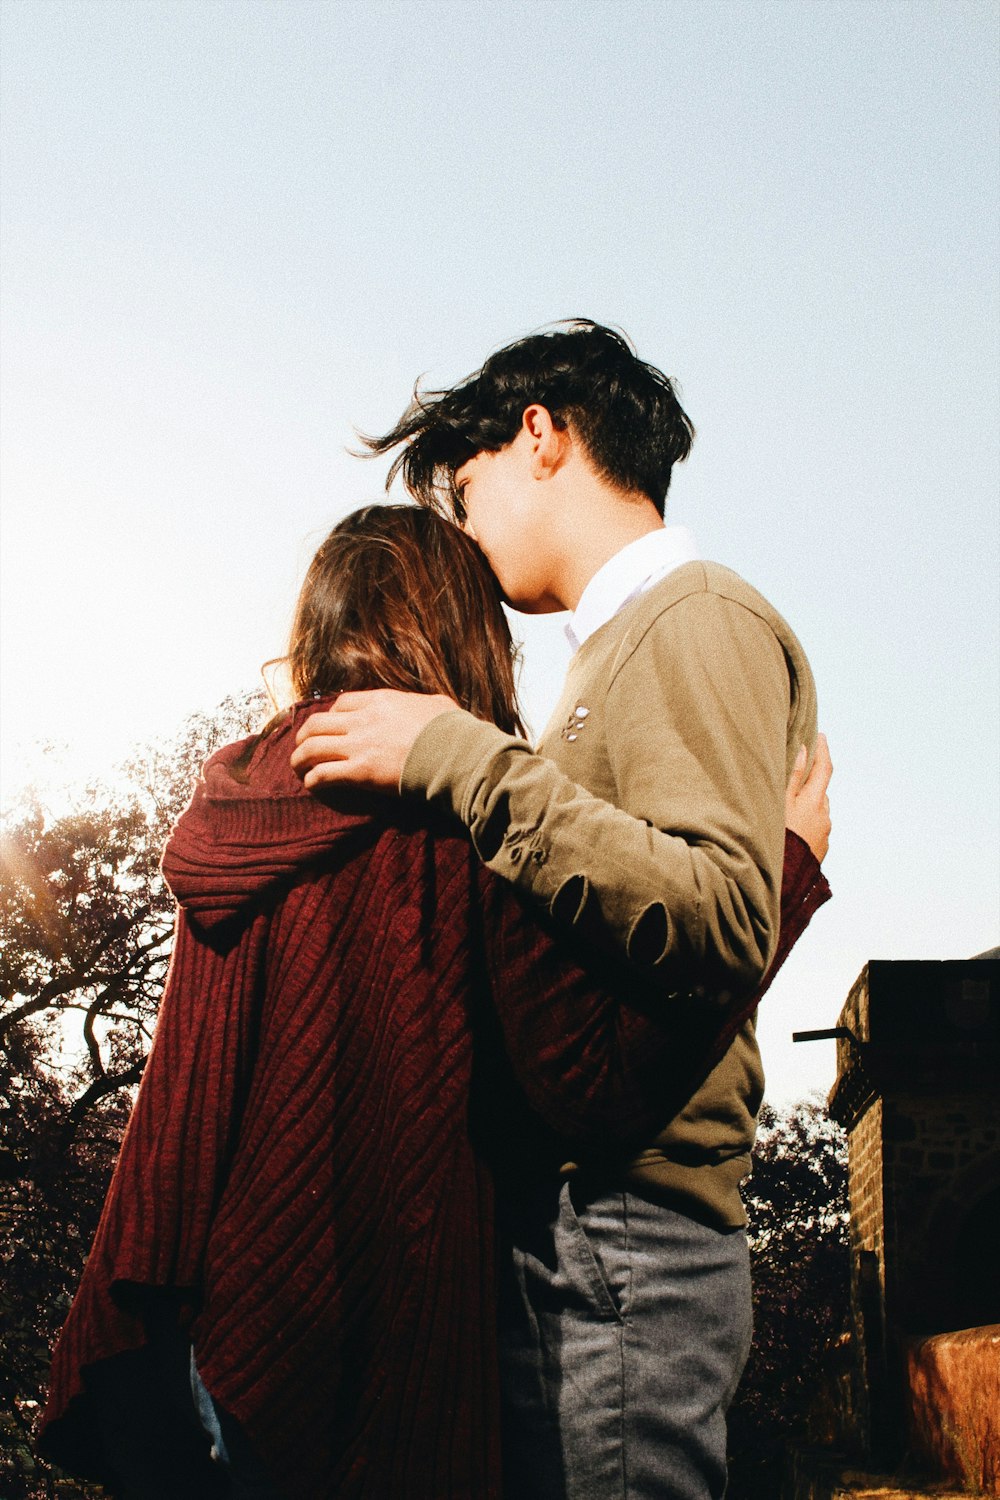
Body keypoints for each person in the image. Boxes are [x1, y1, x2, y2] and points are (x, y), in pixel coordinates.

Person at [39, 504, 830, 1500]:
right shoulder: (455, 814)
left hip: (215, 1317)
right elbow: (594, 1083)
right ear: (467, 632)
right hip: (380, 1332)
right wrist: (783, 879)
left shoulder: (236, 795)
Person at [290, 322, 832, 1499]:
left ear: (539, 435)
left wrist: (459, 757)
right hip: (585, 1225)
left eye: (464, 482)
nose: (463, 527)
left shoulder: (695, 615)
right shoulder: (607, 654)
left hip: (629, 1232)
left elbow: (719, 915)